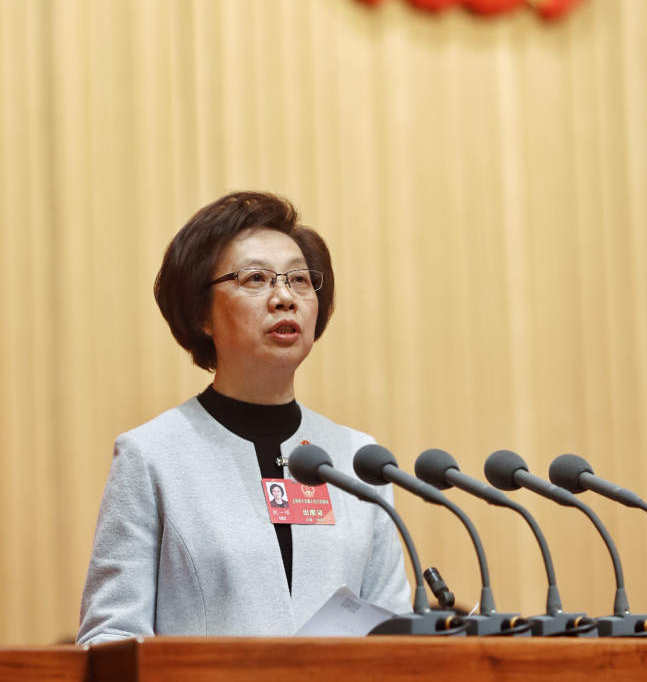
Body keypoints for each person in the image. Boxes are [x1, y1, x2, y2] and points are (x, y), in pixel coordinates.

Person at [77, 191, 410, 642]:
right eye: (256, 278)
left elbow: (394, 633)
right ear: (202, 314)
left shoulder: (358, 459)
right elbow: (111, 635)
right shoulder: (153, 456)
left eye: (299, 280)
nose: (284, 297)